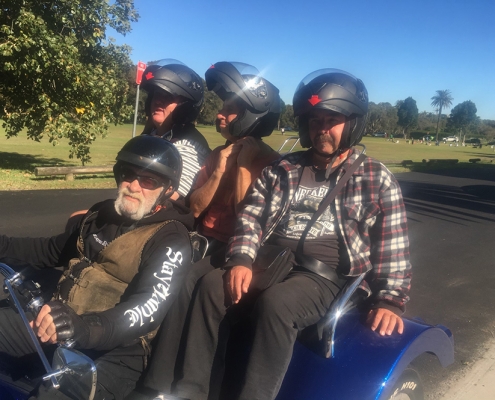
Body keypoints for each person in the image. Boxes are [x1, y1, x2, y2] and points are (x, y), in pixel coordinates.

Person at [152, 69, 412, 400]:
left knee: (278, 305)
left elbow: (394, 244)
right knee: (210, 285)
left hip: (325, 274)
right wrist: (242, 258)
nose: (321, 129)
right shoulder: (285, 168)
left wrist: (390, 299)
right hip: (272, 259)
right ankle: (190, 391)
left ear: (354, 123)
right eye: (315, 120)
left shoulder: (375, 178)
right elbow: (252, 216)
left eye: (332, 119)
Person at [126, 62, 281, 400]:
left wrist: (241, 166)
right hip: (207, 240)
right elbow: (195, 206)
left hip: (242, 249)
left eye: (229, 109)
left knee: (204, 285)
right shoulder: (216, 155)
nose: (220, 115)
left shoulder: (271, 164)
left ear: (251, 114)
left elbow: (250, 217)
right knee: (173, 274)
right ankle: (157, 380)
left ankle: (194, 388)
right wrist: (220, 167)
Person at [0, 135, 196, 400]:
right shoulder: (101, 215)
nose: (134, 186)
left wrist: (84, 328)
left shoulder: (172, 240)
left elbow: (146, 308)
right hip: (60, 324)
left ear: (167, 189)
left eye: (148, 180)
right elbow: (49, 250)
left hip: (116, 354)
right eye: (128, 174)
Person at [140, 59, 211, 200]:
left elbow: (170, 201)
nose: (158, 101)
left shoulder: (188, 147)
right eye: (156, 94)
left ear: (185, 107)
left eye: (168, 96)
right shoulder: (153, 136)